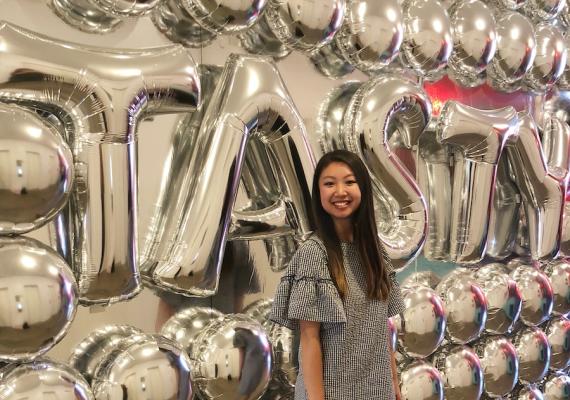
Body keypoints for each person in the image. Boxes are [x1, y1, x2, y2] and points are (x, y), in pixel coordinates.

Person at [270, 149, 405, 400]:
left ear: (362, 189)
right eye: (329, 183)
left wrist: (394, 386)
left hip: (377, 391)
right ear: (318, 192)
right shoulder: (314, 253)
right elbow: (309, 341)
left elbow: (380, 329)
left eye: (349, 182)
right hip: (332, 393)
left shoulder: (375, 252)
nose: (340, 191)